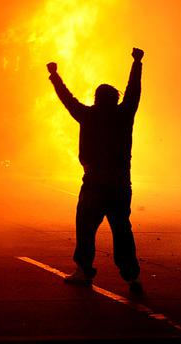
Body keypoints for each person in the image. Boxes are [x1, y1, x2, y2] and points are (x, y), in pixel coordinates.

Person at [46, 48, 144, 294]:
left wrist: (55, 76)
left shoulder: (88, 115)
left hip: (94, 185)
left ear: (96, 99)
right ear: (115, 99)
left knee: (86, 227)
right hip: (121, 184)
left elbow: (66, 98)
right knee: (122, 229)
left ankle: (83, 271)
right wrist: (137, 63)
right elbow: (134, 92)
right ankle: (131, 277)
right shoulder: (124, 115)